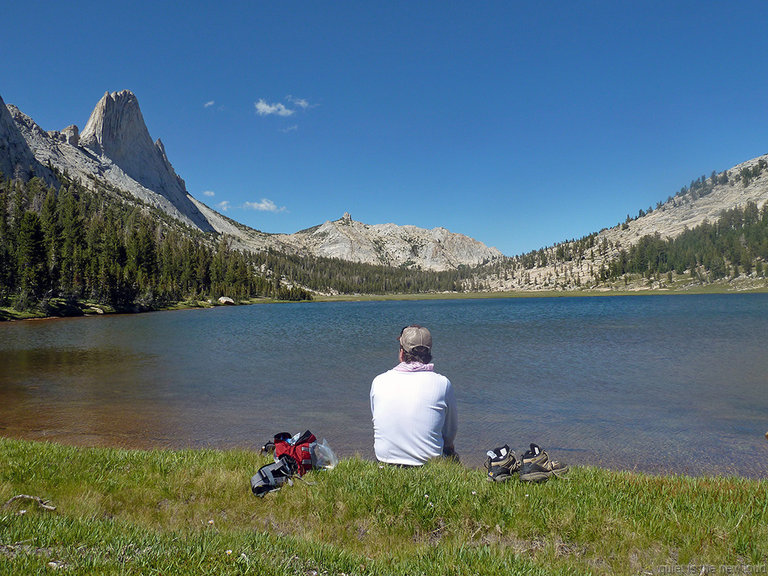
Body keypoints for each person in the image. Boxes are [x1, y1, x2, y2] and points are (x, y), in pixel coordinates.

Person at [370, 325, 458, 466]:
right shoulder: (442, 383)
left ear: (402, 353)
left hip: (384, 460)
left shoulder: (379, 381)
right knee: (450, 453)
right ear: (429, 354)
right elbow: (450, 432)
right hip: (428, 463)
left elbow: (377, 420)